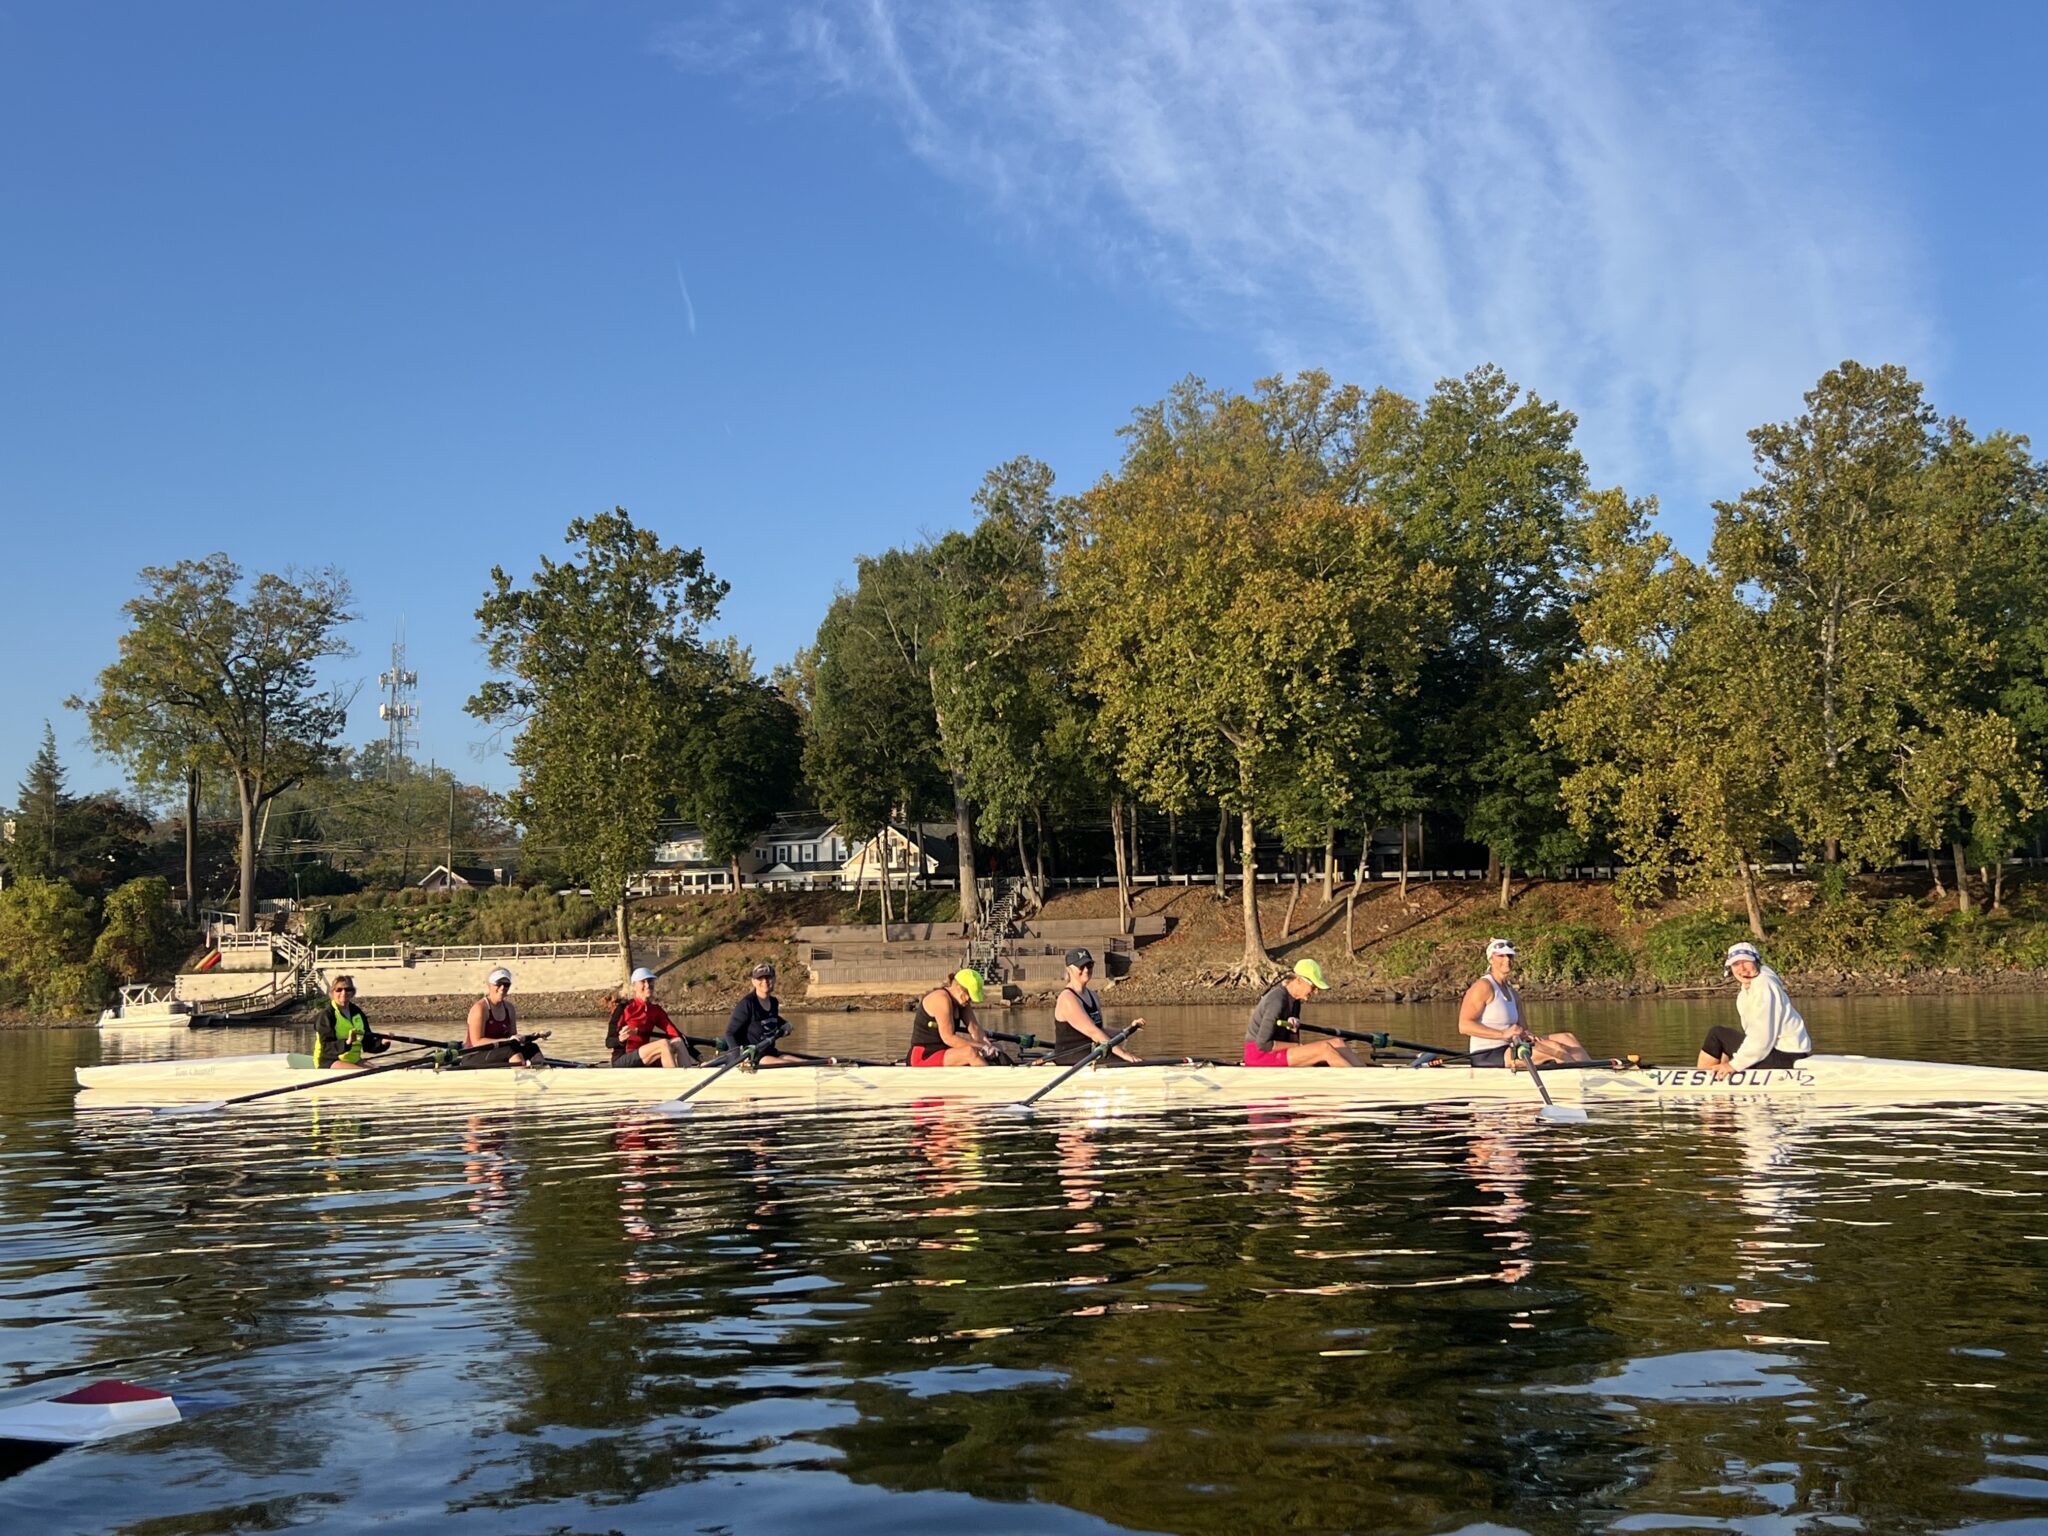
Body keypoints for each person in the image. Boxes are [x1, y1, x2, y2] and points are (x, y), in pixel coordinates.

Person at [1457, 940, 1591, 1068]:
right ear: (1491, 959)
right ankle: (1577, 1080)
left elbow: (1523, 1030)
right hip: (1488, 1053)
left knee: (1566, 1038)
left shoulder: (1513, 994)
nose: (1507, 960)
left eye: (1509, 956)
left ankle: (1595, 1072)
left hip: (1513, 1046)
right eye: (1501, 956)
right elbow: (1464, 1026)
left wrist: (1528, 1035)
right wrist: (1503, 1034)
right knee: (1555, 1049)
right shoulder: (1483, 986)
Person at [1699, 942, 1812, 1075]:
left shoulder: (1764, 985)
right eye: (1736, 964)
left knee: (1716, 1034)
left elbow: (1762, 1037)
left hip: (1788, 1058)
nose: (1742, 969)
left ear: (1756, 962)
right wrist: (1729, 1064)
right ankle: (1716, 1076)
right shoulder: (1745, 994)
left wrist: (1734, 1065)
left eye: (1746, 962)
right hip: (1779, 1054)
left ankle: (1701, 1080)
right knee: (1723, 1040)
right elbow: (1752, 1037)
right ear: (1730, 969)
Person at [1243, 959, 1367, 1068]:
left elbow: (1292, 1040)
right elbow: (1263, 1044)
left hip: (1277, 1051)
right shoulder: (1276, 1000)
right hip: (1259, 1055)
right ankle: (1359, 1081)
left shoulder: (1296, 1003)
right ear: (1298, 980)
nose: (1316, 992)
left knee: (1338, 1043)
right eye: (1313, 987)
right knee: (1324, 1049)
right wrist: (1298, 1046)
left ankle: (1366, 1073)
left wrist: (1293, 1031)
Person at [1050, 948, 1144, 1066]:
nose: (1086, 970)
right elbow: (1093, 1032)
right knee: (1126, 1062)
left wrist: (1127, 1030)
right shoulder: (1067, 999)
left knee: (1125, 1060)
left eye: (1089, 965)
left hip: (1090, 1053)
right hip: (1070, 1057)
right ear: (1069, 969)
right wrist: (1125, 1054)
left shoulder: (1093, 995)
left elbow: (1100, 1030)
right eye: (1081, 966)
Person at [908, 968, 1004, 1067]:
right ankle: (991, 1081)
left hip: (944, 1052)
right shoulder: (941, 999)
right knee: (970, 1053)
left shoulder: (962, 1002)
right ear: (958, 987)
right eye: (969, 995)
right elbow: (948, 1038)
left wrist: (989, 1046)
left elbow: (975, 1030)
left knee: (998, 1047)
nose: (969, 999)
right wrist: (982, 1047)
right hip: (924, 1055)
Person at [607, 968, 697, 1069]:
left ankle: (686, 1076)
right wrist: (620, 1039)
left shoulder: (655, 1010)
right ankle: (674, 1080)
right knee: (663, 1044)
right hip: (622, 1058)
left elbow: (675, 1034)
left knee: (678, 1042)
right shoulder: (624, 1008)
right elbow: (609, 1042)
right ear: (634, 986)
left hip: (644, 1056)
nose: (647, 985)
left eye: (649, 981)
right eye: (643, 981)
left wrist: (698, 1057)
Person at [458, 967, 543, 1069]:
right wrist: (507, 1040)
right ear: (489, 985)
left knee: (532, 1048)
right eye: (498, 984)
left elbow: (513, 1038)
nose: (502, 988)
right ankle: (524, 1077)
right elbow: (477, 1042)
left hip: (497, 1053)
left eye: (506, 984)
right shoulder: (480, 1008)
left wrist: (534, 1036)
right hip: (473, 1055)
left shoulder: (509, 1008)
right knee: (509, 1049)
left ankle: (546, 1073)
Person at [725, 962, 796, 1065]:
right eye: (760, 978)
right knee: (791, 1067)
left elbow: (769, 1018)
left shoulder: (773, 1002)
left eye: (768, 978)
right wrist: (738, 1058)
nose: (765, 981)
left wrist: (785, 1024)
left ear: (774, 979)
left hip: (770, 1052)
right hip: (753, 1056)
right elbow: (729, 1033)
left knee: (807, 1064)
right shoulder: (747, 1003)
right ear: (753, 981)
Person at [313, 974, 387, 1069]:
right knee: (368, 1074)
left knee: (378, 1070)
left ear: (352, 992)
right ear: (332, 993)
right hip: (329, 1060)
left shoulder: (357, 1013)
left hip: (353, 1060)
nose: (344, 993)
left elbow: (367, 1044)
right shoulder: (326, 1015)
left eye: (348, 989)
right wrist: (347, 1042)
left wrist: (383, 1042)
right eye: (339, 990)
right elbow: (327, 1047)